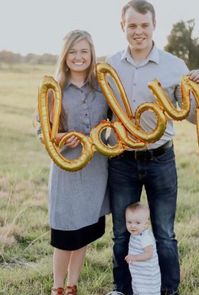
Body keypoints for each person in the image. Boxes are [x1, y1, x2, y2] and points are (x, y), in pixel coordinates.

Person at [106, 1, 199, 295]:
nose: (139, 31)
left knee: (164, 233)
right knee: (120, 233)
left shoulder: (175, 66)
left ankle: (168, 291)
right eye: (132, 25)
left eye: (144, 25)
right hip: (121, 160)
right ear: (122, 26)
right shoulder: (109, 65)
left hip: (160, 158)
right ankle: (122, 289)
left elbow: (190, 115)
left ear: (154, 25)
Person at [37, 30, 109, 295]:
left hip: (95, 172)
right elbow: (41, 130)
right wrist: (61, 137)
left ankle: (72, 286)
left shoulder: (102, 88)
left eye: (84, 52)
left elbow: (113, 124)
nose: (78, 57)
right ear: (64, 55)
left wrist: (106, 130)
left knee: (84, 232)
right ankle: (57, 287)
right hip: (67, 172)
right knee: (66, 233)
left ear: (91, 55)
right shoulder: (53, 89)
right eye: (73, 52)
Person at [125, 202, 161, 295]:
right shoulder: (135, 234)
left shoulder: (145, 237)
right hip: (139, 274)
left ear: (145, 224)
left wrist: (134, 257)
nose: (132, 225)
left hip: (148, 277)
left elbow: (149, 254)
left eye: (137, 223)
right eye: (129, 222)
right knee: (138, 290)